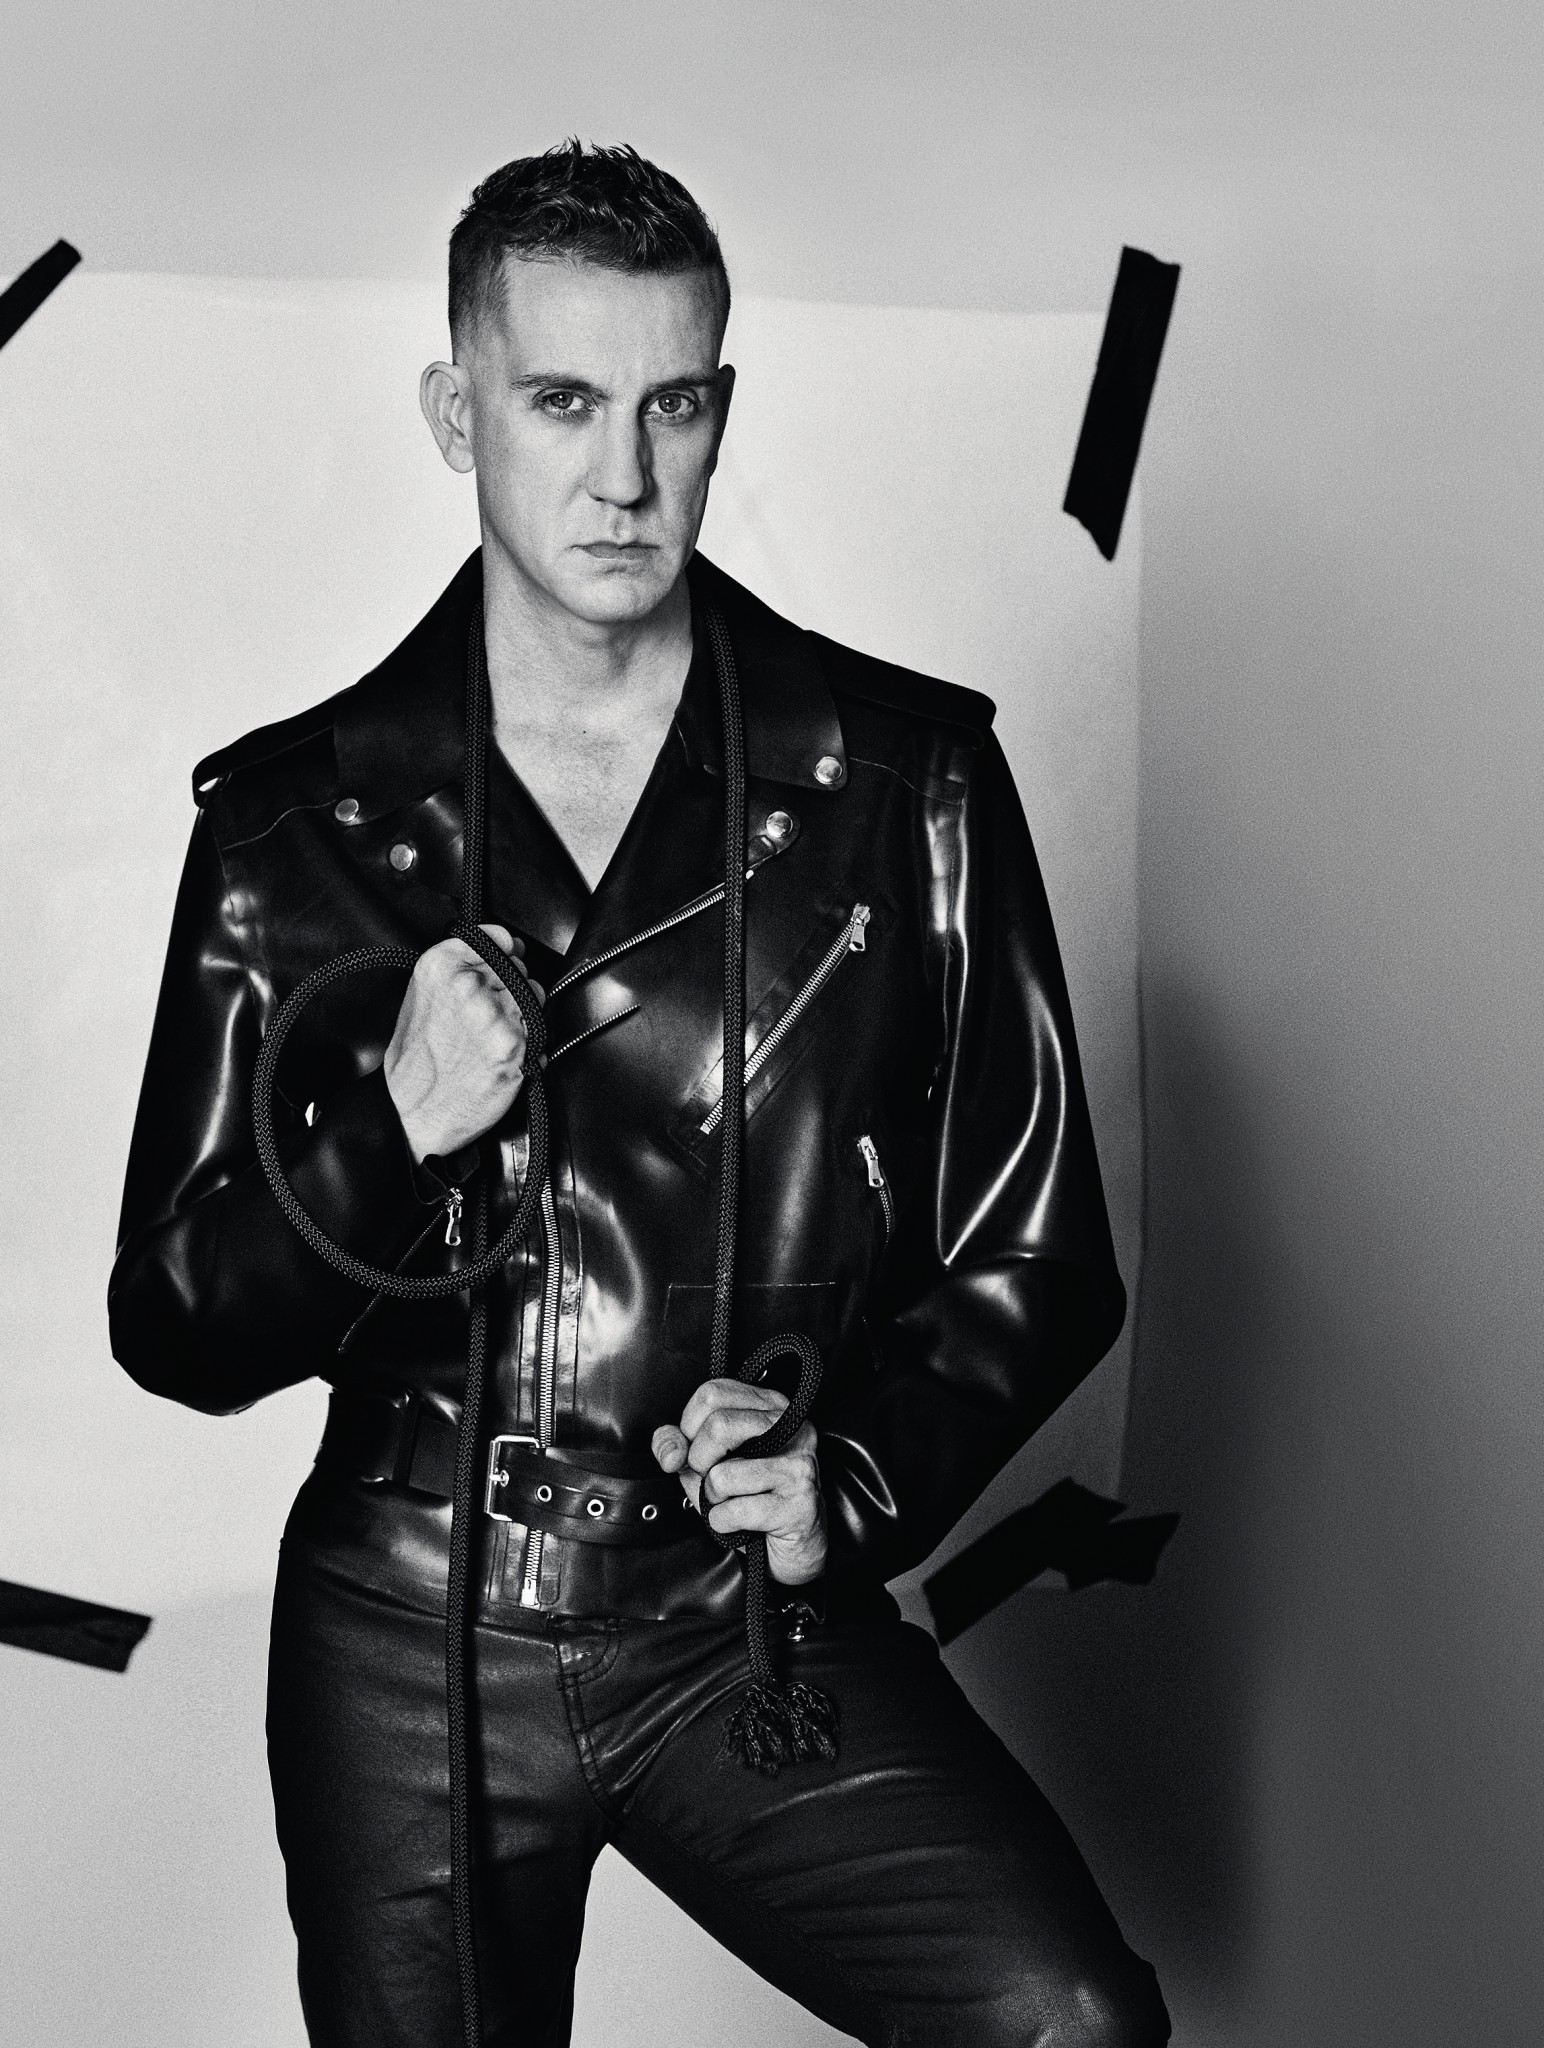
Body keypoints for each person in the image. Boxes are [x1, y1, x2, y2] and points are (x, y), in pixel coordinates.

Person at [109, 141, 1170, 2048]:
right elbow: (175, 1324)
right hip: (408, 1627)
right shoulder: (293, 826)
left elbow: (1040, 1253)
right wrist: (389, 1133)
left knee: (1068, 2020)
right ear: (460, 415)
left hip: (736, 1622)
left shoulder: (907, 785)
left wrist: (847, 1474)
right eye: (562, 401)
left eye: (671, 404)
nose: (623, 474)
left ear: (721, 409)